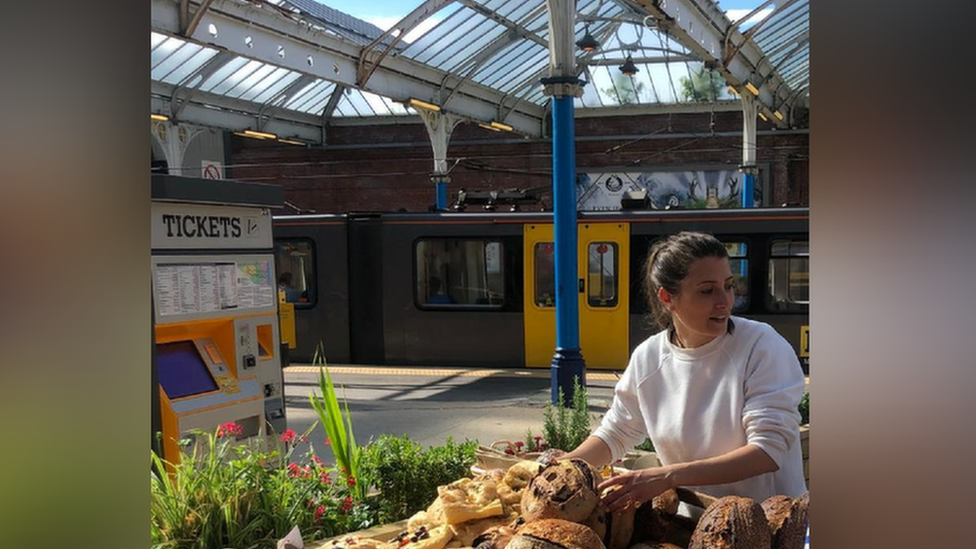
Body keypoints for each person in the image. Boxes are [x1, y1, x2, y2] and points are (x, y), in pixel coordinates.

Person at [562, 231, 806, 512]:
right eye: (707, 290)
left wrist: (668, 476)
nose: (725, 301)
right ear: (667, 298)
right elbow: (616, 433)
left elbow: (767, 451)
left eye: (728, 286)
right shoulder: (648, 357)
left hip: (768, 524)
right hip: (692, 525)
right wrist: (563, 468)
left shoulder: (762, 346)